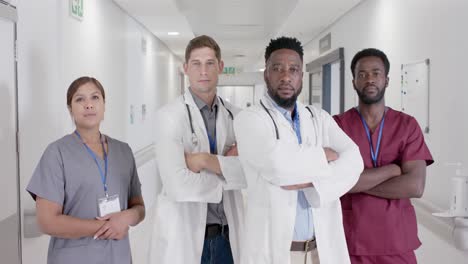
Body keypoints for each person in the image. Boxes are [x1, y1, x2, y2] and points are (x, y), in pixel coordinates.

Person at [234, 36, 363, 264]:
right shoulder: (249, 119)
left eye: (293, 69)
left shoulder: (319, 118)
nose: (285, 76)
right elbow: (277, 165)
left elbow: (355, 161)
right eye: (277, 68)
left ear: (301, 76)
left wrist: (309, 181)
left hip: (320, 251)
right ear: (266, 74)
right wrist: (325, 156)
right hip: (275, 253)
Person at [26, 76, 145, 264]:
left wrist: (127, 217)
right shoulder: (56, 153)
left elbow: (139, 207)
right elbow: (46, 221)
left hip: (119, 256)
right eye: (79, 99)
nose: (88, 105)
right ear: (70, 109)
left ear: (104, 106)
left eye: (95, 98)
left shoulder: (124, 151)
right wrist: (104, 226)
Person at [150, 35, 246, 264]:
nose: (203, 71)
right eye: (196, 64)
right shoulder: (169, 117)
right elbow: (177, 185)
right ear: (186, 68)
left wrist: (202, 161)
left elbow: (251, 173)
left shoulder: (238, 116)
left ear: (220, 66)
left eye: (210, 63)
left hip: (228, 237)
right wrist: (227, 169)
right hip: (187, 236)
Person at [333, 48, 434, 264]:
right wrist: (390, 170)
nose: (369, 79)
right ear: (353, 82)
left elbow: (415, 186)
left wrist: (354, 182)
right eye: (362, 74)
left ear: (387, 80)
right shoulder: (337, 125)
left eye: (376, 73)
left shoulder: (407, 125)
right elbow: (332, 180)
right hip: (350, 242)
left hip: (396, 242)